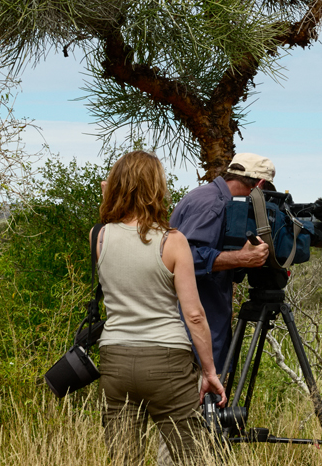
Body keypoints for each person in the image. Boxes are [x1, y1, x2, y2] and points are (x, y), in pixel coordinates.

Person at [95, 151, 226, 465]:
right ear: (157, 188)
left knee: (125, 458)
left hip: (115, 359)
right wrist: (209, 371)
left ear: (115, 186)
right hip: (167, 360)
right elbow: (194, 314)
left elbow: (113, 225)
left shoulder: (99, 236)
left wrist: (109, 195)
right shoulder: (172, 241)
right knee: (190, 456)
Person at [169, 152, 274, 372]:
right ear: (260, 184)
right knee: (199, 398)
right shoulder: (212, 204)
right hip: (194, 326)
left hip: (201, 318)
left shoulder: (208, 197)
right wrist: (241, 258)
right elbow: (184, 257)